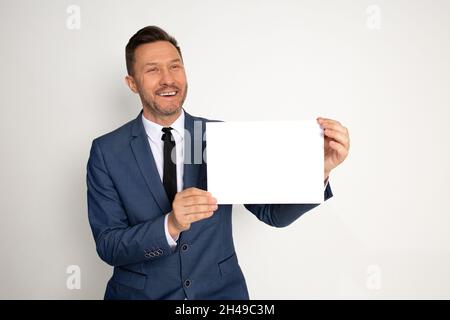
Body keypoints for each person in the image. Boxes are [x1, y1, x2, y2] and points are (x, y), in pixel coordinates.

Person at [86, 26, 350, 300]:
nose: (168, 79)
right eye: (153, 70)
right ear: (132, 83)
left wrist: (319, 170)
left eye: (175, 67)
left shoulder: (220, 137)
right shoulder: (107, 152)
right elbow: (109, 245)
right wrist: (170, 225)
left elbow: (273, 214)